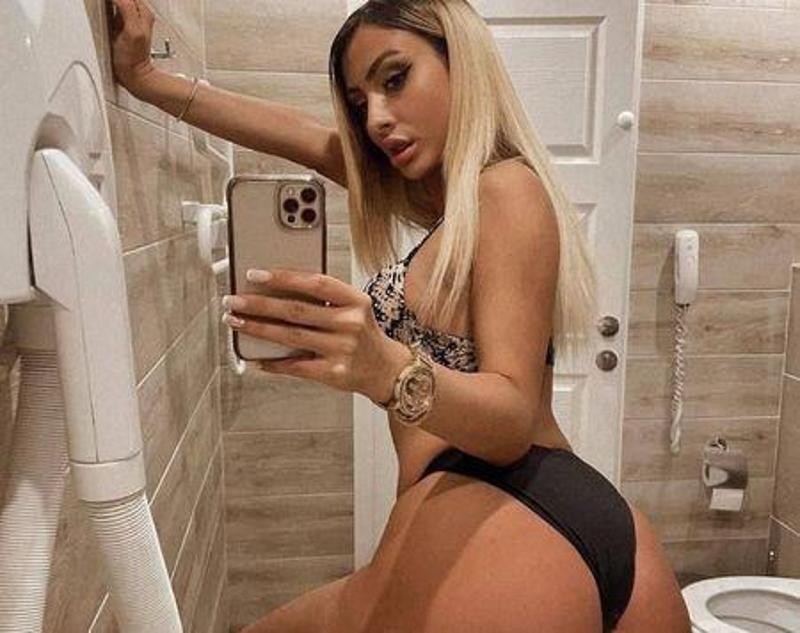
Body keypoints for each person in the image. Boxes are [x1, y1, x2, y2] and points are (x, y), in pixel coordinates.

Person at [110, 1, 692, 631]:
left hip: (499, 510)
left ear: (460, 61)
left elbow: (511, 420)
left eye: (395, 79)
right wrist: (146, 80)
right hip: (560, 516)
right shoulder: (450, 199)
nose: (377, 119)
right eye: (360, 103)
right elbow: (305, 138)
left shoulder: (505, 189)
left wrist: (386, 368)